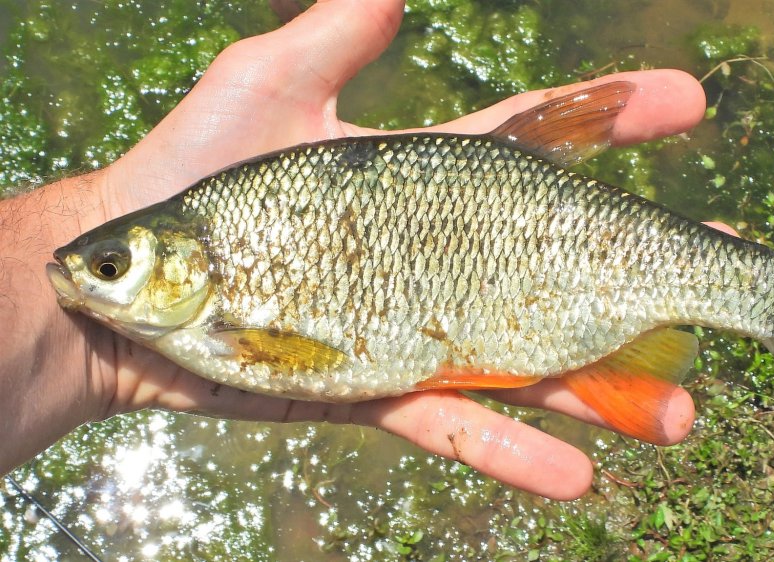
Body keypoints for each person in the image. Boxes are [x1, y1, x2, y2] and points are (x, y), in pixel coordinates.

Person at [0, 0, 722, 501]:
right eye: (108, 267)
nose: (90, 280)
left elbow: (310, 358)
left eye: (109, 268)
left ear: (185, 260)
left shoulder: (211, 317)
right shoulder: (196, 288)